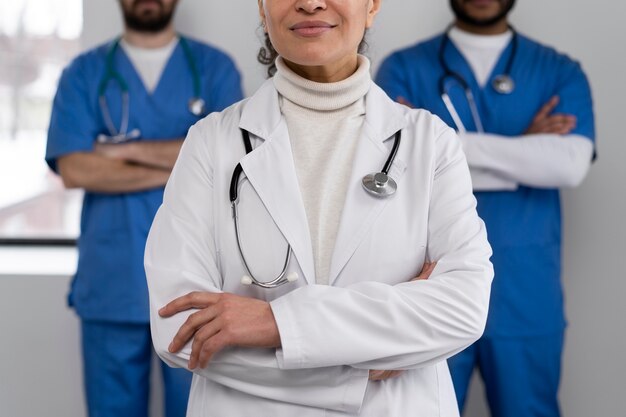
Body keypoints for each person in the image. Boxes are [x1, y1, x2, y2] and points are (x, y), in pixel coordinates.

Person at [144, 0, 493, 416]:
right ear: (261, 6)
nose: (310, 3)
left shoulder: (429, 142)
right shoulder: (210, 143)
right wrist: (366, 360)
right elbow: (177, 332)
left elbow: (462, 308)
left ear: (372, 5)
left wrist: (276, 324)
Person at [376, 1, 595, 416]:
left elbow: (567, 165)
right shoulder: (402, 67)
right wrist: (522, 149)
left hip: (525, 293)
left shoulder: (558, 69)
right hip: (424, 288)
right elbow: (391, 165)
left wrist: (437, 147)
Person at [45, 0, 243, 416]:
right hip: (112, 283)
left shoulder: (214, 67)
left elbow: (233, 160)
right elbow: (75, 168)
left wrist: (122, 151)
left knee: (199, 409)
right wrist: (190, 160)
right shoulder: (83, 72)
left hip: (199, 285)